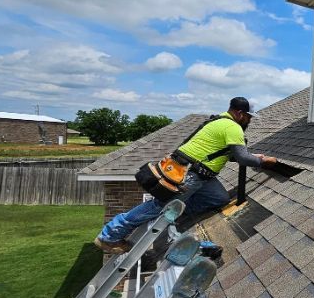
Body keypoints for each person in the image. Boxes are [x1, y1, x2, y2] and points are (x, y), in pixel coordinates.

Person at [94, 97, 277, 254]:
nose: (249, 121)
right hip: (188, 174)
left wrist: (254, 157)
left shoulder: (217, 121)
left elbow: (227, 155)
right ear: (239, 113)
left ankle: (176, 214)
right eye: (248, 117)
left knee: (219, 198)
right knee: (159, 206)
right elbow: (243, 158)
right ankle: (110, 236)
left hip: (200, 175)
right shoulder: (232, 126)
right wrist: (263, 161)